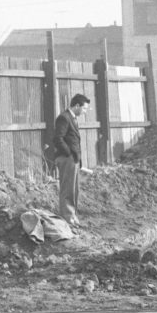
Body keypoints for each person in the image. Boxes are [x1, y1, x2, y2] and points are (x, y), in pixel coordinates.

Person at [52, 93, 90, 228]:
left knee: (74, 189)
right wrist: (68, 154)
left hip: (73, 160)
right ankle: (67, 217)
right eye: (84, 109)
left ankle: (72, 215)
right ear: (77, 106)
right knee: (67, 189)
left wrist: (77, 160)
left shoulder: (72, 118)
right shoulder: (64, 117)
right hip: (66, 159)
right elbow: (58, 139)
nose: (85, 112)